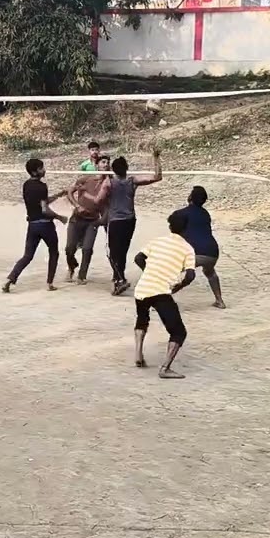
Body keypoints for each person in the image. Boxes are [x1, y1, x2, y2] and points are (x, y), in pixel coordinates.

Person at [132, 210, 198, 379]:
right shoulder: (188, 249)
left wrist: (149, 272)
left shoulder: (157, 241)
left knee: (142, 319)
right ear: (187, 229)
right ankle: (165, 368)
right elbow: (190, 275)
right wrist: (178, 286)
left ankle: (138, 354)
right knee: (178, 332)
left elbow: (138, 258)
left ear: (170, 226)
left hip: (142, 288)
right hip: (161, 291)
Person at [100, 148, 163, 296]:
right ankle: (119, 278)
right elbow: (157, 177)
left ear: (113, 170)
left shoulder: (109, 183)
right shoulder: (132, 181)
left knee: (113, 252)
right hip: (129, 221)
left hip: (116, 221)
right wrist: (156, 158)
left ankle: (119, 279)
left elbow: (99, 200)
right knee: (122, 251)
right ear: (126, 168)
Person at [3, 158, 68, 293]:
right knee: (53, 252)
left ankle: (10, 278)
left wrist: (58, 195)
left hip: (32, 225)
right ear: (35, 171)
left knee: (27, 256)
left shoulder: (26, 185)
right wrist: (59, 217)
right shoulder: (42, 186)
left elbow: (41, 202)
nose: (44, 170)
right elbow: (44, 209)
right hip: (45, 226)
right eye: (41, 168)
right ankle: (50, 283)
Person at [177, 186, 226, 308]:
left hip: (196, 252)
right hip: (212, 253)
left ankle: (162, 300)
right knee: (210, 272)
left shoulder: (182, 213)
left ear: (190, 197)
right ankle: (219, 300)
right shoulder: (205, 214)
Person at [65, 154, 109, 284]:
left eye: (108, 163)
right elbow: (69, 192)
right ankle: (72, 267)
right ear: (97, 165)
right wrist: (77, 206)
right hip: (77, 218)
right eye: (103, 162)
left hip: (92, 220)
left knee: (87, 249)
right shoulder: (85, 179)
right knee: (69, 248)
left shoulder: (108, 184)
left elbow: (108, 204)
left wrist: (103, 220)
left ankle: (82, 275)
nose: (106, 165)